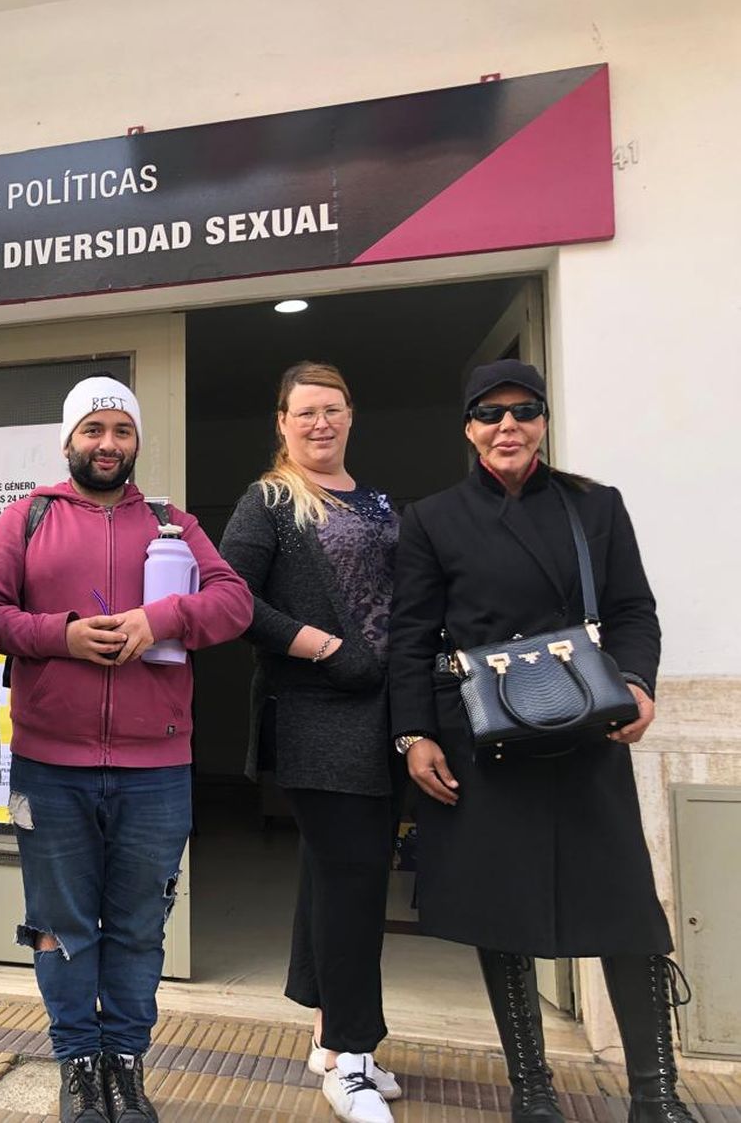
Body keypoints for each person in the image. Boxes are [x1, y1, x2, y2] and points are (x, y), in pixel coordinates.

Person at [388, 359, 690, 1123]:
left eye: (523, 411)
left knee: (627, 913)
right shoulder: (433, 518)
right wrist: (415, 732)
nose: (507, 427)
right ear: (468, 428)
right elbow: (410, 637)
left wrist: (639, 681)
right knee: (505, 914)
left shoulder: (596, 507)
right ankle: (532, 1091)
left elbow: (633, 610)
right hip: (488, 740)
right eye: (489, 414)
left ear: (545, 420)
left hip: (586, 731)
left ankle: (656, 1093)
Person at [0, 375, 253, 1123]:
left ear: (136, 441)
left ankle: (126, 1066)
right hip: (48, 763)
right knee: (58, 924)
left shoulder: (172, 520)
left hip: (157, 768)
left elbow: (234, 602)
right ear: (68, 440)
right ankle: (78, 1066)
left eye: (121, 430)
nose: (107, 443)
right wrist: (61, 634)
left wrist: (159, 620)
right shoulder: (26, 517)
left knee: (139, 923)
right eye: (93, 430)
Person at [218, 361, 403, 1123]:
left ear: (351, 415)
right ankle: (355, 1061)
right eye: (305, 412)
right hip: (315, 715)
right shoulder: (270, 499)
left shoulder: (384, 501)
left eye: (332, 409)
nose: (319, 422)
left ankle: (330, 1036)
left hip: (385, 716)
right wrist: (320, 646)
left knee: (335, 874)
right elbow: (230, 596)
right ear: (282, 424)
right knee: (355, 880)